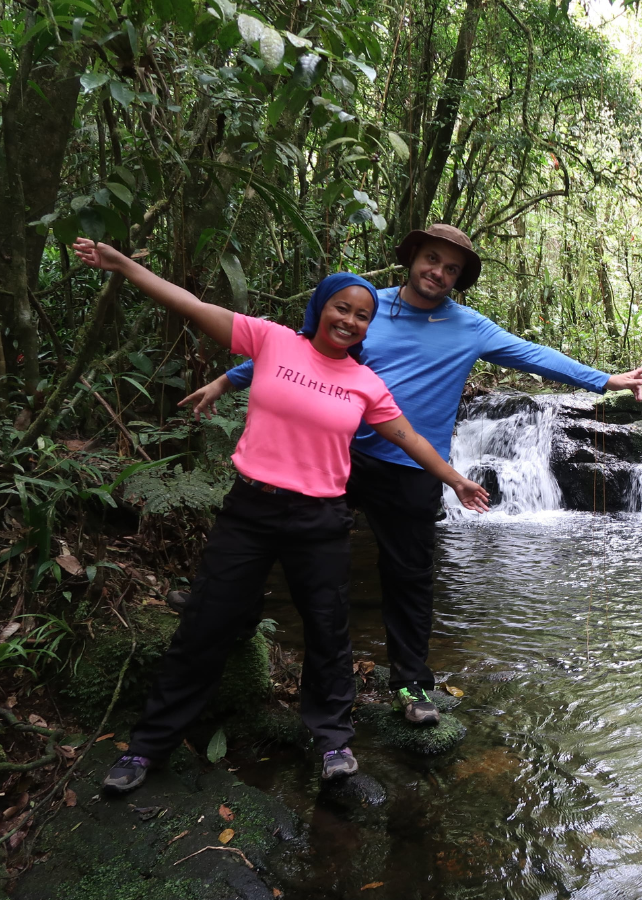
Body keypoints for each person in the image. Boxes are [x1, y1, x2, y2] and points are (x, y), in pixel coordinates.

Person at [184, 223, 642, 729]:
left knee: (408, 576)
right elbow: (304, 351)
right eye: (432, 259)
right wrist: (228, 378)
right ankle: (239, 618)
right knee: (288, 542)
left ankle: (410, 681)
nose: (439, 272)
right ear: (413, 258)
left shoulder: (470, 327)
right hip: (339, 456)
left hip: (412, 467)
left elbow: (533, 354)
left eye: (451, 269)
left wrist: (604, 379)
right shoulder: (365, 307)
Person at [70, 238, 490, 793]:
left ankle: (333, 741)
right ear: (320, 308)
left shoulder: (366, 383)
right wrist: (123, 265)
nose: (350, 321)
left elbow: (409, 438)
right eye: (341, 308)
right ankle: (148, 747)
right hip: (249, 511)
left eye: (362, 316)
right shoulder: (271, 341)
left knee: (328, 632)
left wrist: (455, 478)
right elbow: (192, 306)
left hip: (319, 522)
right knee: (204, 627)